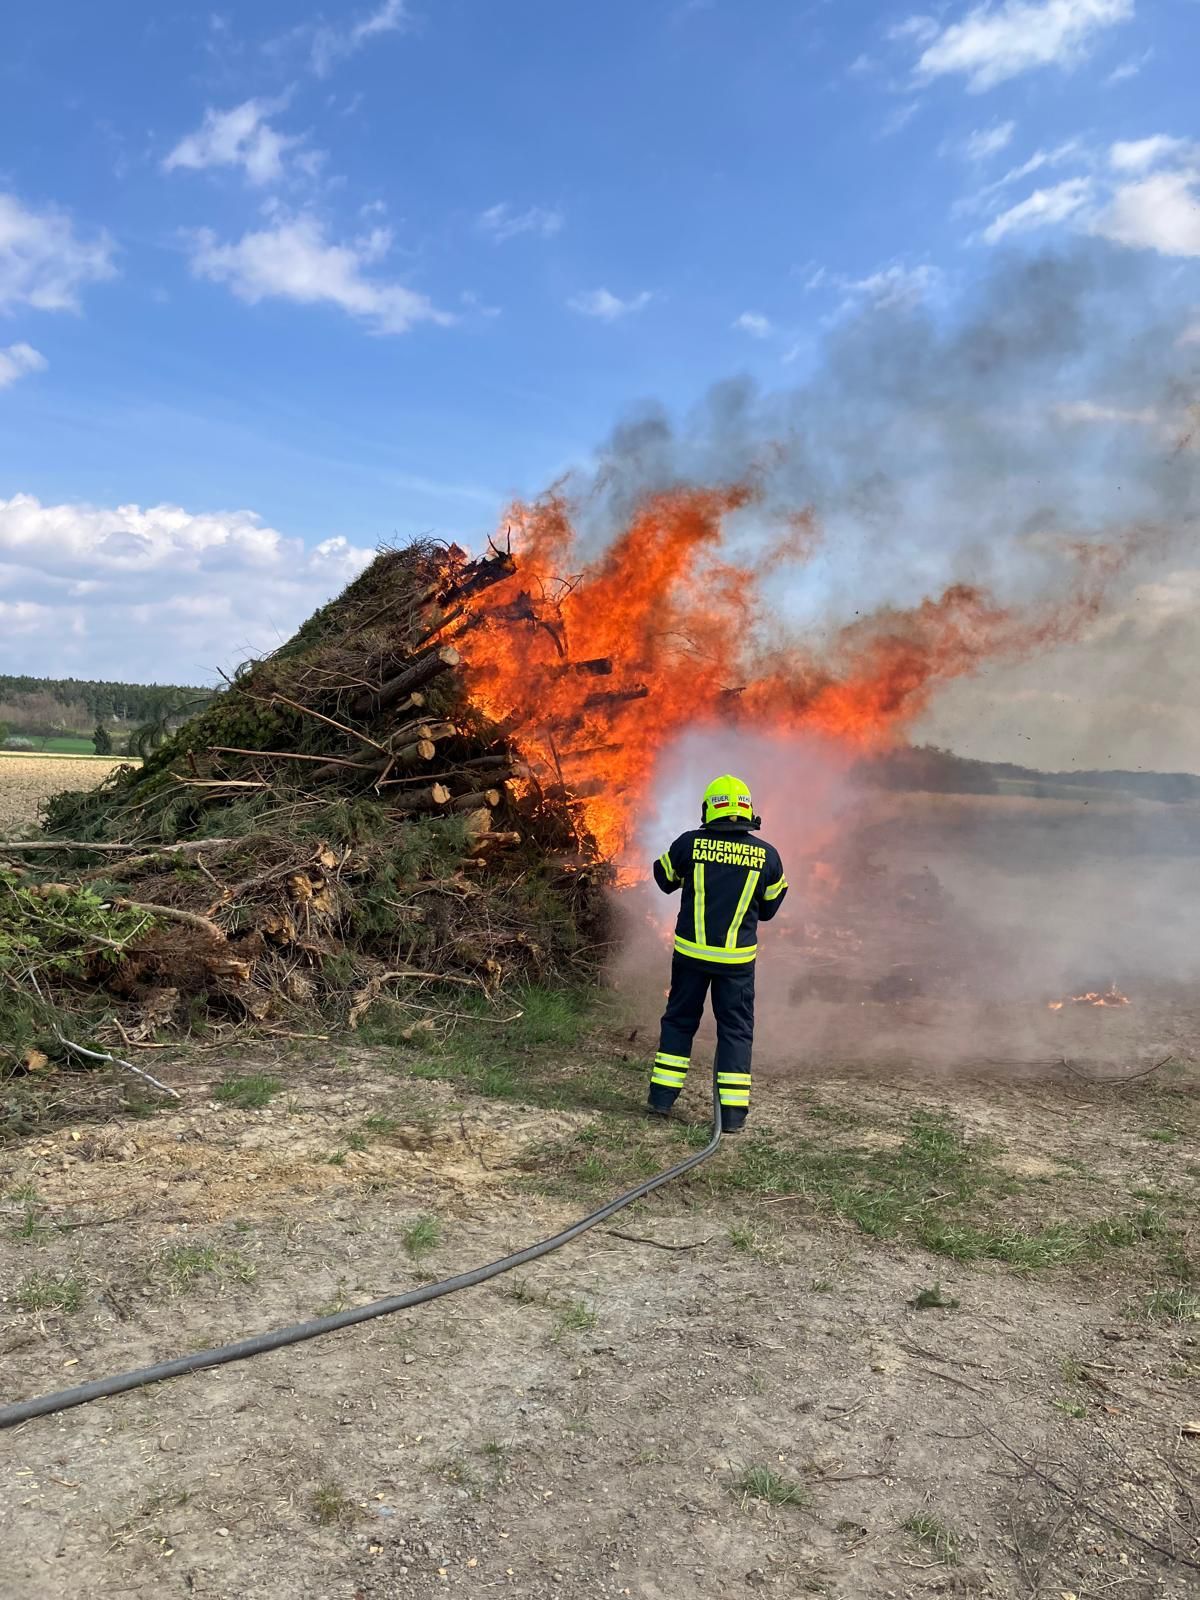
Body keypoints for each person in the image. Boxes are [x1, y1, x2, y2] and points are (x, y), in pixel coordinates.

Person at [647, 775, 787, 1133]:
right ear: (748, 811)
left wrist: (692, 874)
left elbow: (663, 878)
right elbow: (769, 909)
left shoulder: (689, 844)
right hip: (736, 964)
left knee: (679, 1022)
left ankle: (661, 1099)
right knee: (735, 1031)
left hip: (690, 957)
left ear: (709, 809)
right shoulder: (768, 856)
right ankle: (733, 1116)